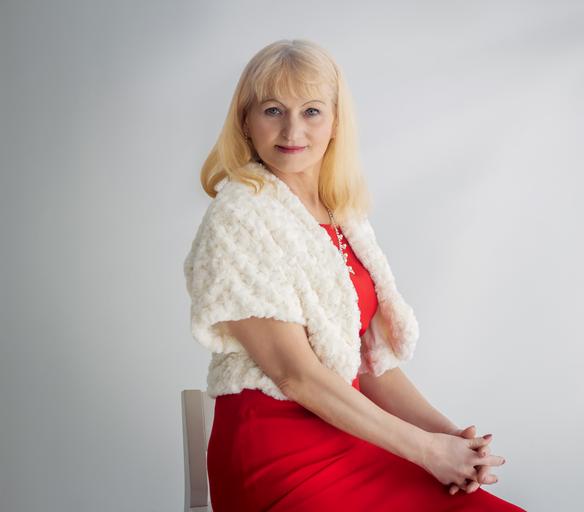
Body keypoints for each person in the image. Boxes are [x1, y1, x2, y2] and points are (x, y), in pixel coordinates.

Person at [183, 38, 527, 511]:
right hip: (276, 458)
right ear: (246, 120)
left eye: (311, 111)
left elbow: (370, 365)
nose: (292, 130)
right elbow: (296, 376)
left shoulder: (342, 214)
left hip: (350, 436)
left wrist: (451, 440)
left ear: (336, 121)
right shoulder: (240, 216)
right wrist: (428, 452)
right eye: (272, 110)